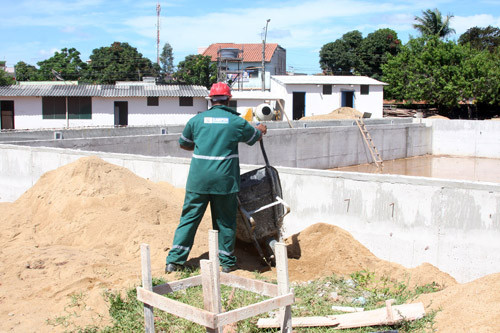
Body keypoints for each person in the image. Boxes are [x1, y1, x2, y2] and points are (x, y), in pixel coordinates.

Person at [166, 82, 267, 273]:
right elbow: (254, 137)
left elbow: (184, 144)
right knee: (225, 221)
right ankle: (227, 263)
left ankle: (174, 261)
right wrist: (261, 129)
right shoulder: (236, 122)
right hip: (225, 181)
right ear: (228, 99)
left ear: (211, 99)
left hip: (198, 180)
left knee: (189, 219)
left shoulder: (196, 120)